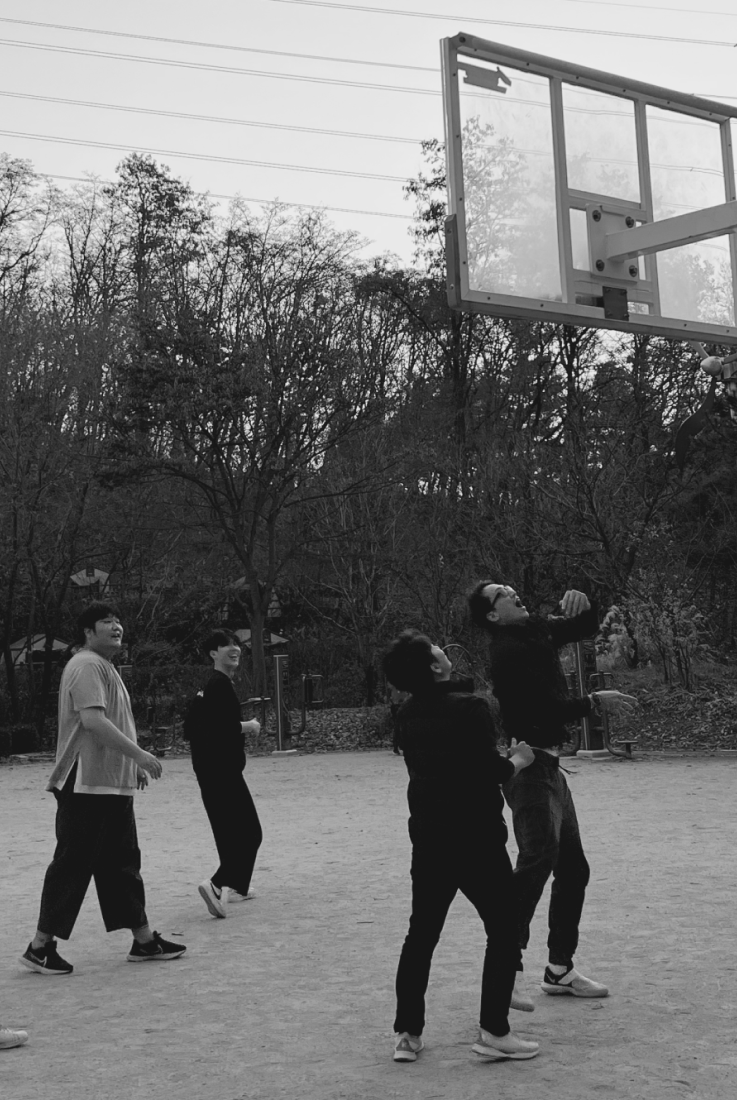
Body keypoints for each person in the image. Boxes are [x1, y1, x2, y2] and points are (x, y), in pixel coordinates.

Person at [468, 582, 637, 1007]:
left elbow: (582, 625)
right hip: (528, 769)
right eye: (503, 594)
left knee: (573, 869)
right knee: (535, 864)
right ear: (492, 615)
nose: (514, 592)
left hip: (549, 766)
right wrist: (592, 701)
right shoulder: (505, 653)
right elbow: (538, 710)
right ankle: (505, 968)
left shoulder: (536, 630)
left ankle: (559, 969)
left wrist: (586, 599)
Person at [382, 629, 540, 1065]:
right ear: (434, 666)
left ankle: (407, 1033)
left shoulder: (407, 714)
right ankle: (494, 1030)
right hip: (476, 839)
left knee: (421, 935)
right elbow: (489, 772)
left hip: (429, 839)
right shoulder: (471, 707)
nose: (443, 650)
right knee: (504, 930)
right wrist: (519, 760)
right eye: (436, 649)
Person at [20, 602, 186, 976]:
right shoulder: (85, 665)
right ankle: (39, 948)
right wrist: (140, 755)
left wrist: (129, 765)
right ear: (88, 632)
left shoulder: (104, 666)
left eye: (117, 621)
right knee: (73, 863)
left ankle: (144, 940)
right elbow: (93, 722)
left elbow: (114, 723)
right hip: (85, 781)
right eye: (106, 622)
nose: (116, 626)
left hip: (108, 782)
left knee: (122, 863)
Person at [191, 629, 262, 919]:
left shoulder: (207, 685)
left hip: (210, 769)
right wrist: (248, 726)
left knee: (229, 831)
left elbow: (194, 728)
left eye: (236, 644)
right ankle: (218, 883)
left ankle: (236, 886)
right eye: (226, 646)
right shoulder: (219, 685)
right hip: (222, 770)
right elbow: (221, 728)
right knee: (250, 832)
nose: (235, 649)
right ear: (212, 654)